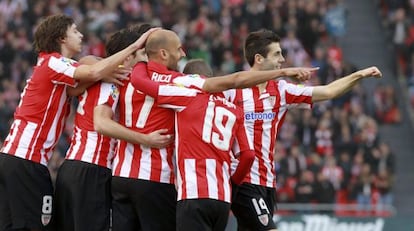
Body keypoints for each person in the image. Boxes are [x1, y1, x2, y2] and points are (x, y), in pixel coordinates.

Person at [130, 29, 317, 231]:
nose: (182, 53)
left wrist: (141, 58)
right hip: (221, 196)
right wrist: (234, 186)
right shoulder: (233, 109)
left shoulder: (185, 95)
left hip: (193, 191)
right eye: (179, 49)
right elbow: (247, 154)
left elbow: (139, 81)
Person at [0, 14, 153, 231]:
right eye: (74, 31)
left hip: (14, 157)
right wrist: (134, 46)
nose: (80, 35)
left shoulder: (55, 68)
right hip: (29, 159)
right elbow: (92, 69)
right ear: (61, 38)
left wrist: (107, 72)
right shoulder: (54, 62)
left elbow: (82, 80)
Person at [225, 29, 382, 231]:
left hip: (268, 182)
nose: (282, 60)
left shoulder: (281, 91)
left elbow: (328, 91)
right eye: (277, 54)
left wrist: (360, 74)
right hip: (244, 179)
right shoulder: (231, 91)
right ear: (259, 58)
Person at [53, 26, 170, 231]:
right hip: (92, 170)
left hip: (75, 169)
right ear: (126, 58)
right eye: (142, 54)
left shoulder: (106, 77)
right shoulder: (111, 83)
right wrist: (145, 139)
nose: (146, 61)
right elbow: (101, 123)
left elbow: (86, 65)